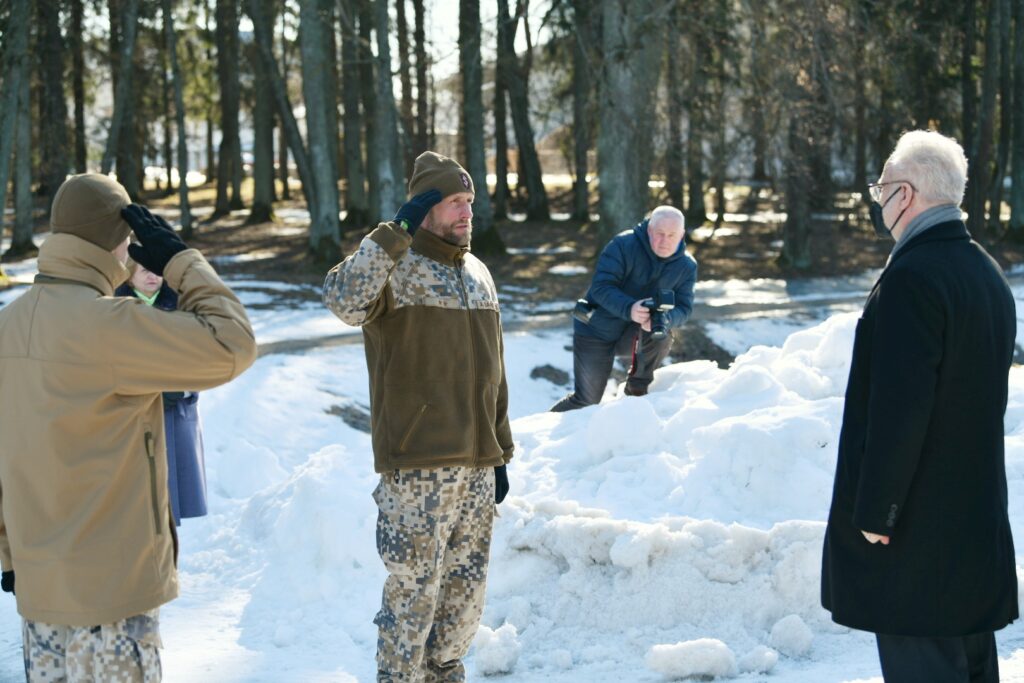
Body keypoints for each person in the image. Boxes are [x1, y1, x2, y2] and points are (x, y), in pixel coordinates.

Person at [0, 173, 257, 681]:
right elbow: (233, 344)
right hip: (112, 594)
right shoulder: (110, 326)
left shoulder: (9, 324)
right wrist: (181, 261)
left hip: (39, 586)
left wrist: (8, 552)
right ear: (117, 241)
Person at [821, 130, 1017, 682]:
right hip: (970, 521)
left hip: (917, 529)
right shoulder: (984, 272)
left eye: (880, 188)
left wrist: (877, 512)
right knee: (971, 667)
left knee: (926, 667)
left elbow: (900, 407)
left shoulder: (912, 277)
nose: (878, 198)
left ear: (904, 193)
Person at [323, 151, 514, 682]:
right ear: (424, 208)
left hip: (476, 468)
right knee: (412, 605)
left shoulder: (478, 272)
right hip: (417, 470)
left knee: (463, 609)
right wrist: (393, 233)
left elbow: (494, 372)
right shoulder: (395, 268)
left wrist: (500, 451)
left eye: (469, 201)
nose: (465, 212)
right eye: (453, 201)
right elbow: (341, 299)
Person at [550, 205, 697, 411]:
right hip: (595, 329)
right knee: (586, 401)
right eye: (659, 234)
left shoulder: (686, 266)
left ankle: (636, 388)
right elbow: (601, 287)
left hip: (635, 334)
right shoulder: (622, 245)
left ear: (682, 235)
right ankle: (542, 431)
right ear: (649, 230)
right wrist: (630, 308)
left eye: (672, 235)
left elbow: (684, 308)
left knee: (662, 334)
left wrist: (664, 319)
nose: (665, 241)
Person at [115, 261, 208, 526]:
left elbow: (199, 355)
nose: (153, 276)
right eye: (144, 271)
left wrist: (180, 386)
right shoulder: (115, 308)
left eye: (156, 271)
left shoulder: (181, 305)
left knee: (169, 493)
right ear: (129, 276)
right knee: (138, 497)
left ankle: (168, 556)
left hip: (174, 409)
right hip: (134, 412)